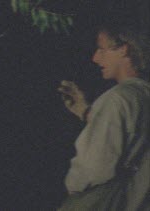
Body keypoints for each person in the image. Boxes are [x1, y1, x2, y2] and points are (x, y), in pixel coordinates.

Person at [57, 24, 150, 210]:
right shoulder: (143, 94)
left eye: (101, 49)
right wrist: (86, 112)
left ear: (124, 49)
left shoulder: (116, 98)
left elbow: (94, 167)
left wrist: (74, 190)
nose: (95, 57)